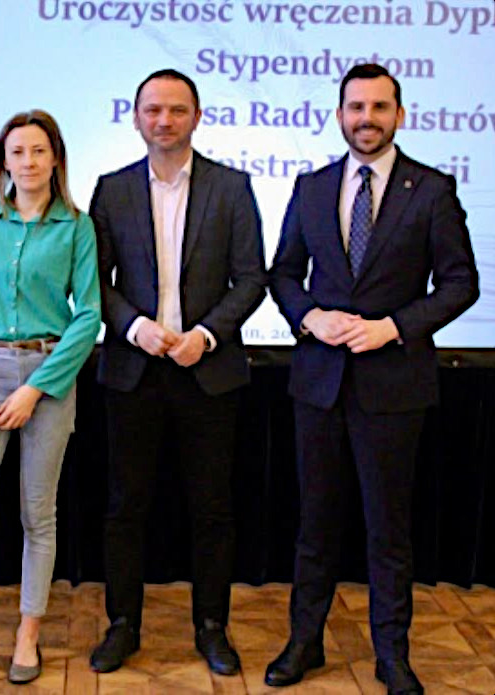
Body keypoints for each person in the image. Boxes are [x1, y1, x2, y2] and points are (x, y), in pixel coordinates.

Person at [266, 64, 479, 695]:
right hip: (318, 384)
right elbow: (283, 274)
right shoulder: (311, 188)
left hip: (394, 386)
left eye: (380, 107)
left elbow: (461, 283)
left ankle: (392, 656)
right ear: (339, 115)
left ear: (399, 115)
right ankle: (304, 643)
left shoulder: (432, 190)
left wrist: (394, 327)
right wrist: (309, 316)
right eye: (356, 107)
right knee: (314, 525)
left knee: (388, 531)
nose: (367, 118)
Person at [88, 68, 267, 676]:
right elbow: (94, 281)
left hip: (208, 372)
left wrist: (207, 334)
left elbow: (252, 278)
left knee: (212, 508)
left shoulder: (232, 187)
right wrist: (134, 326)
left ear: (197, 117)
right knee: (125, 507)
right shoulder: (111, 190)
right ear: (136, 118)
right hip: (133, 372)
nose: (164, 120)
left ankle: (212, 627)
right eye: (153, 110)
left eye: (176, 110)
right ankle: (122, 624)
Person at [0, 110, 100, 685]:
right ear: (3, 162)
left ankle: (29, 633)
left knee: (38, 513)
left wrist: (37, 388)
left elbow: (89, 315)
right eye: (17, 152)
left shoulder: (76, 226)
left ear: (55, 158)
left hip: (48, 378)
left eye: (38, 151)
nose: (27, 162)